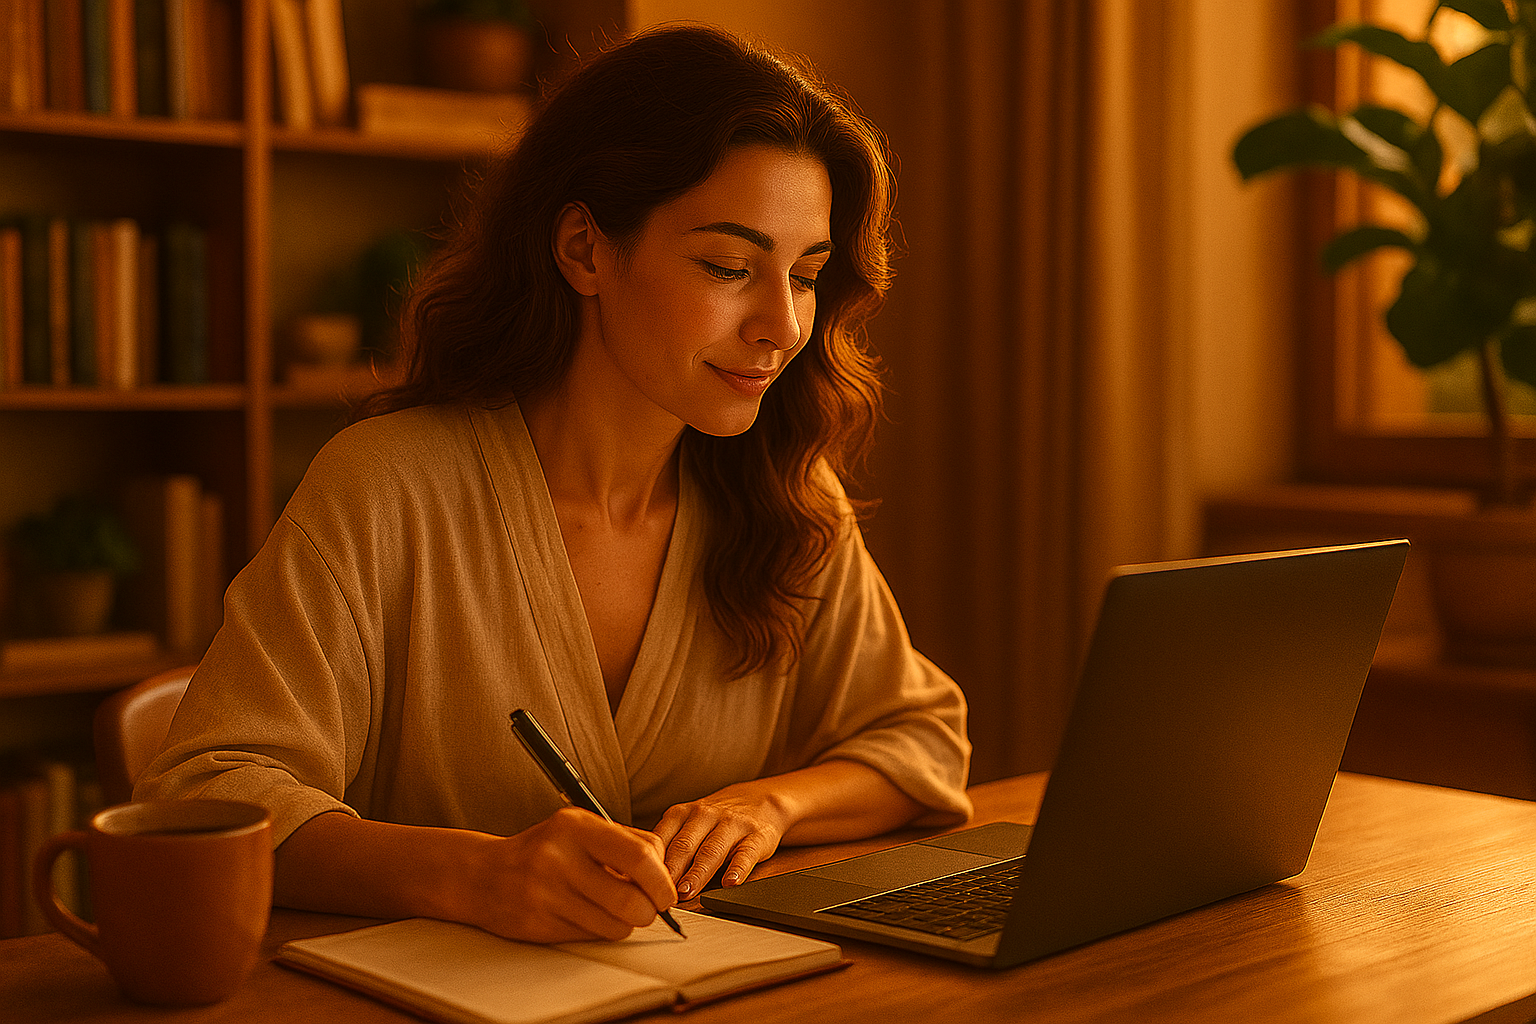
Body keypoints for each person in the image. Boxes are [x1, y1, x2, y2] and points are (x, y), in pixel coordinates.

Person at [137, 24, 972, 945]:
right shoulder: (388, 487)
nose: (782, 325)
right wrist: (480, 875)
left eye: (806, 276)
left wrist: (770, 805)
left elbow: (922, 743)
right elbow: (209, 793)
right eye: (729, 268)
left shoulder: (785, 492)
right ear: (584, 249)